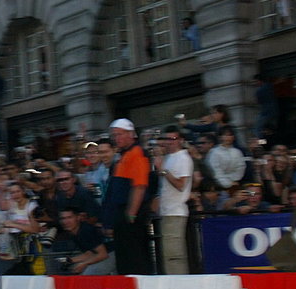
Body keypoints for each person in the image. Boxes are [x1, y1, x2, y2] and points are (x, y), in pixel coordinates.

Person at [100, 118, 154, 275]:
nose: (116, 138)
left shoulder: (137, 154)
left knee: (134, 256)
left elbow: (139, 186)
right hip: (123, 214)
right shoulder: (124, 155)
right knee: (126, 256)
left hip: (129, 215)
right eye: (114, 135)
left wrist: (131, 214)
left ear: (131, 134)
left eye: (119, 134)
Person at [154, 128, 193, 274]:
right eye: (167, 139)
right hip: (167, 211)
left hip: (175, 212)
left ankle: (180, 285)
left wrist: (163, 170)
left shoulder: (183, 158)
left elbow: (180, 185)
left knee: (174, 255)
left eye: (173, 139)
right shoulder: (169, 157)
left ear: (181, 140)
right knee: (168, 254)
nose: (170, 142)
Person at [47, 207, 113, 276]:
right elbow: (89, 253)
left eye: (69, 217)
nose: (65, 222)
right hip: (105, 254)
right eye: (63, 218)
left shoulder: (86, 231)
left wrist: (84, 263)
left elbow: (103, 254)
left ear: (78, 218)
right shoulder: (74, 232)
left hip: (111, 254)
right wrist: (69, 260)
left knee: (88, 275)